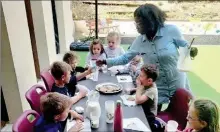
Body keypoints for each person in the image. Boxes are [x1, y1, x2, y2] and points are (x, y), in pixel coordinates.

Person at [96, 4, 198, 111]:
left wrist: (191, 51)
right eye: (136, 22)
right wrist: (105, 61)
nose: (137, 25)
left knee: (180, 114)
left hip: (177, 82)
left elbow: (186, 47)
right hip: (156, 86)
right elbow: (125, 58)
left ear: (151, 20)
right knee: (153, 116)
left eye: (139, 22)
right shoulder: (139, 41)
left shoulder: (172, 31)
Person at [135, 64, 159, 130]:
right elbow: (143, 90)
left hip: (149, 117)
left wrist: (139, 87)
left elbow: (138, 100)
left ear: (149, 81)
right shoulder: (147, 84)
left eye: (141, 76)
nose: (139, 77)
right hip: (143, 110)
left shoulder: (152, 90)